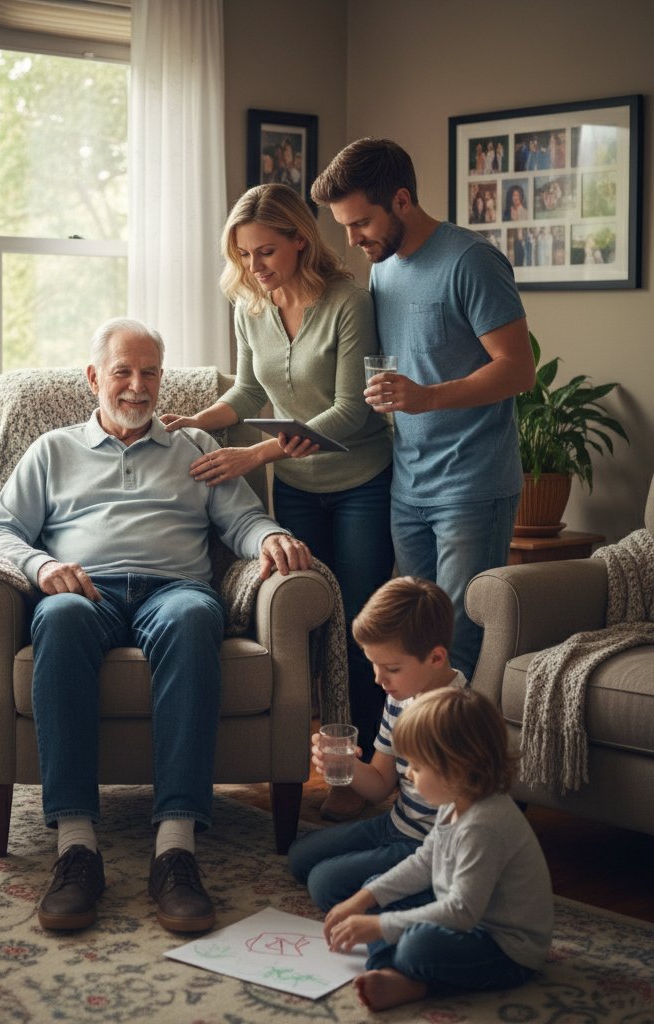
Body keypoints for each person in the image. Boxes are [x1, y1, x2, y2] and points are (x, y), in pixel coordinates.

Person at [0, 317, 313, 934]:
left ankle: (176, 849)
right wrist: (42, 566)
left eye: (149, 373)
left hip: (174, 590)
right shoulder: (52, 451)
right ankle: (77, 848)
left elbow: (242, 521)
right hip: (87, 590)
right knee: (59, 617)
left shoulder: (195, 447)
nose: (137, 386)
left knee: (194, 616)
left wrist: (271, 536)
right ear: (93, 378)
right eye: (123, 372)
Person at [160, 183, 394, 820]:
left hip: (361, 484)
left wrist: (256, 455)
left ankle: (365, 775)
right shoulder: (250, 305)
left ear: (299, 240)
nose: (254, 266)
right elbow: (246, 393)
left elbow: (350, 411)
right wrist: (196, 422)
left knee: (359, 628)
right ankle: (316, 764)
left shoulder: (348, 302)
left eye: (265, 251)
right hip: (298, 490)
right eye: (243, 254)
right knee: (309, 626)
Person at [311, 138, 535, 678]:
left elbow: (518, 369)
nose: (352, 239)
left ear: (402, 200)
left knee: (456, 646)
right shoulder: (383, 267)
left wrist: (426, 396)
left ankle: (460, 739)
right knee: (414, 645)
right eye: (344, 226)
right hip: (408, 484)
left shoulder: (471, 261)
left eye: (361, 222)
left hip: (472, 486)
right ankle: (413, 740)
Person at [324, 686, 553, 1012]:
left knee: (416, 946)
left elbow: (461, 911)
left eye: (417, 766)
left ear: (455, 768)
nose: (408, 774)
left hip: (504, 948)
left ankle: (414, 981)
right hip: (465, 917)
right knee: (374, 892)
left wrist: (380, 927)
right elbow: (424, 862)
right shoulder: (454, 799)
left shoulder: (484, 825)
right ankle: (392, 973)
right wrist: (363, 899)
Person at [288, 577, 466, 913]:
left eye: (391, 668)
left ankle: (437, 898)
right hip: (396, 824)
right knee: (300, 857)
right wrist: (346, 765)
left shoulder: (457, 718)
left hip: (431, 847)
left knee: (324, 884)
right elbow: (381, 785)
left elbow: (462, 825)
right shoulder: (401, 694)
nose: (378, 679)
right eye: (373, 664)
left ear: (436, 658)